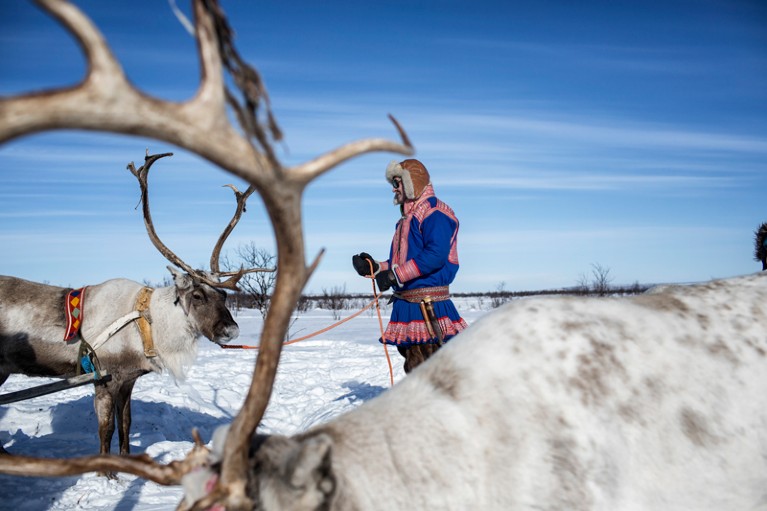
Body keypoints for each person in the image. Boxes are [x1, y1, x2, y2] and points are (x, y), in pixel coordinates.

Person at [353, 158, 468, 373]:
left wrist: (395, 276)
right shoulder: (406, 219)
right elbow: (400, 263)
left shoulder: (436, 213)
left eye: (397, 183)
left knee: (427, 369)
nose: (394, 189)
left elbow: (435, 255)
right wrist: (376, 268)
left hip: (428, 305)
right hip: (408, 303)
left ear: (411, 182)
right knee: (415, 366)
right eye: (393, 184)